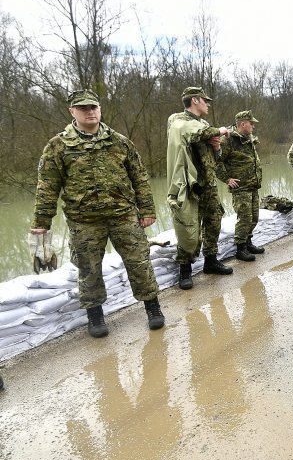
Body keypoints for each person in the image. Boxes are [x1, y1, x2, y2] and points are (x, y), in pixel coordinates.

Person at [31, 89, 164, 338]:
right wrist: (42, 222)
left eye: (93, 107)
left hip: (123, 215)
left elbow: (140, 177)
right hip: (84, 222)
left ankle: (153, 308)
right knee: (88, 269)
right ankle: (95, 316)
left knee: (139, 262)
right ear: (72, 112)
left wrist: (147, 209)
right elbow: (47, 186)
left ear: (100, 109)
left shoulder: (119, 141)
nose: (90, 111)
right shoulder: (59, 146)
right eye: (83, 108)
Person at [166, 86, 233, 290]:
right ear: (195, 100)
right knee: (188, 225)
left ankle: (210, 261)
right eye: (205, 100)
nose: (208, 104)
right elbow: (194, 133)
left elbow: (215, 158)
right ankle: (185, 269)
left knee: (214, 221)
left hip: (209, 184)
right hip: (190, 186)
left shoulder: (202, 124)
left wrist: (217, 147)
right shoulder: (179, 122)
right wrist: (220, 130)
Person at [216, 110, 265, 262]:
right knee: (244, 218)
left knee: (254, 218)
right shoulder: (228, 140)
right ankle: (240, 248)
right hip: (240, 187)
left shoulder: (248, 138)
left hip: (252, 185)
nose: (253, 126)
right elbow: (216, 161)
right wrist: (227, 179)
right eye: (251, 123)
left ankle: (248, 242)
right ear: (243, 124)